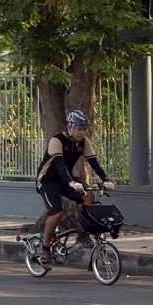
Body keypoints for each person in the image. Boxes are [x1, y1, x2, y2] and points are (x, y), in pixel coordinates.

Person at [35, 110, 114, 268]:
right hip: (48, 181)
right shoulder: (57, 140)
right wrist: (71, 182)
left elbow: (94, 162)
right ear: (70, 127)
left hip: (66, 180)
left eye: (84, 129)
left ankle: (83, 234)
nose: (82, 132)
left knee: (88, 197)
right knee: (56, 213)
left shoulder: (84, 142)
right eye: (79, 128)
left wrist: (106, 179)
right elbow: (60, 165)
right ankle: (45, 248)